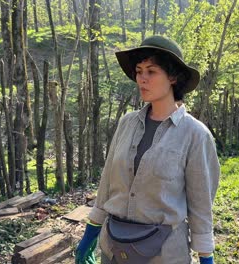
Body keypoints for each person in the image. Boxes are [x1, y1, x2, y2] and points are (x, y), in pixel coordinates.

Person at [76, 35, 220, 264]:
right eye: (139, 71)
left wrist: (206, 257)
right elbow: (106, 185)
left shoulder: (195, 135)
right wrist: (89, 235)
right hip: (113, 249)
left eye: (151, 71)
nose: (142, 79)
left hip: (164, 255)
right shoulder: (127, 123)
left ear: (173, 77)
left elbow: (201, 207)